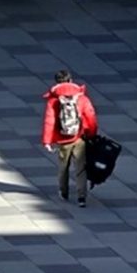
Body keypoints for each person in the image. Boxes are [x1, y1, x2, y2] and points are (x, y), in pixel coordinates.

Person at [41, 69, 98, 207]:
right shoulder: (81, 98)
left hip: (62, 139)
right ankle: (81, 197)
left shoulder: (54, 100)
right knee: (80, 168)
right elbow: (91, 117)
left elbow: (50, 121)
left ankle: (64, 192)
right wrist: (91, 134)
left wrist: (47, 141)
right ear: (70, 80)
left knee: (63, 167)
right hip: (79, 137)